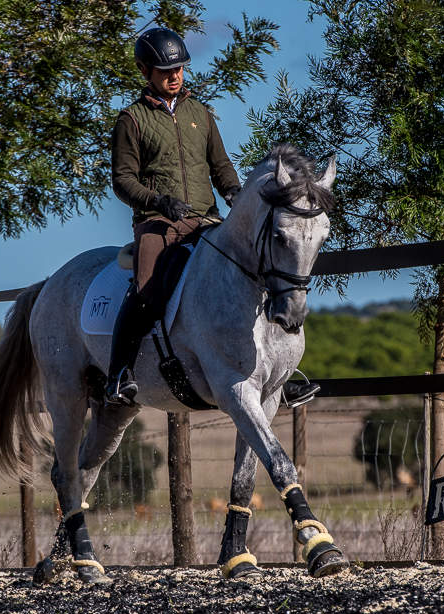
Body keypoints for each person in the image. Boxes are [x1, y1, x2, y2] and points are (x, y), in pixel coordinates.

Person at [105, 27, 319, 408]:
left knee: (258, 268)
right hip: (159, 222)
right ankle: (119, 373)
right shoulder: (131, 120)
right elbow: (122, 180)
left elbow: (220, 167)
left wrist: (235, 193)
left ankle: (279, 375)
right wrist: (158, 200)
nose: (175, 76)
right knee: (144, 290)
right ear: (144, 71)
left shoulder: (199, 114)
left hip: (205, 218)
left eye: (180, 69)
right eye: (165, 70)